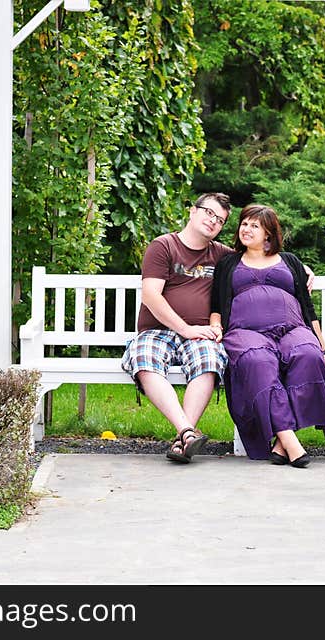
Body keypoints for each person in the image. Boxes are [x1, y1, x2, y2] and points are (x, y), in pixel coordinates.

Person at [209, 204, 325, 468]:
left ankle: (280, 445)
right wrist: (216, 327)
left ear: (269, 234)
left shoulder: (290, 261)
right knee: (258, 362)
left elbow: (308, 309)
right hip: (245, 333)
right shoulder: (228, 263)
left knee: (308, 355)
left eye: (254, 225)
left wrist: (323, 349)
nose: (246, 229)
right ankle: (290, 440)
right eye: (243, 224)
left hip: (293, 329)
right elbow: (216, 306)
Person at [120, 193, 234, 464]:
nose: (213, 221)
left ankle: (183, 438)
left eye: (220, 220)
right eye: (209, 213)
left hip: (200, 333)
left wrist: (301, 268)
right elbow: (151, 295)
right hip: (157, 330)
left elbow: (259, 257)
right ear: (193, 211)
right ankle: (187, 431)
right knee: (144, 357)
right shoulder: (164, 246)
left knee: (210, 359)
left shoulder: (220, 254)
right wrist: (185, 328)